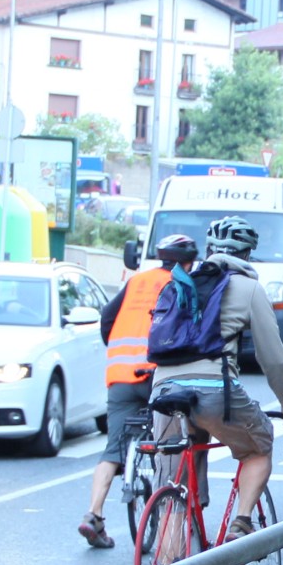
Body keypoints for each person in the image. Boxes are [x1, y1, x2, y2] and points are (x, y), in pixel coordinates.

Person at [149, 215, 283, 545]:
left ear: (208, 250)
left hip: (163, 390)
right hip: (212, 391)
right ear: (248, 254)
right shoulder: (249, 288)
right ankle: (241, 522)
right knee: (259, 446)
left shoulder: (180, 283)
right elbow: (273, 358)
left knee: (172, 478)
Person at [78, 234, 196, 548]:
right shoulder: (182, 283)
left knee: (113, 449)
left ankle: (93, 514)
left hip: (121, 373)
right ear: (188, 262)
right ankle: (170, 509)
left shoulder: (136, 281)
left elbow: (107, 317)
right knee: (168, 444)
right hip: (159, 374)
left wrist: (119, 351)